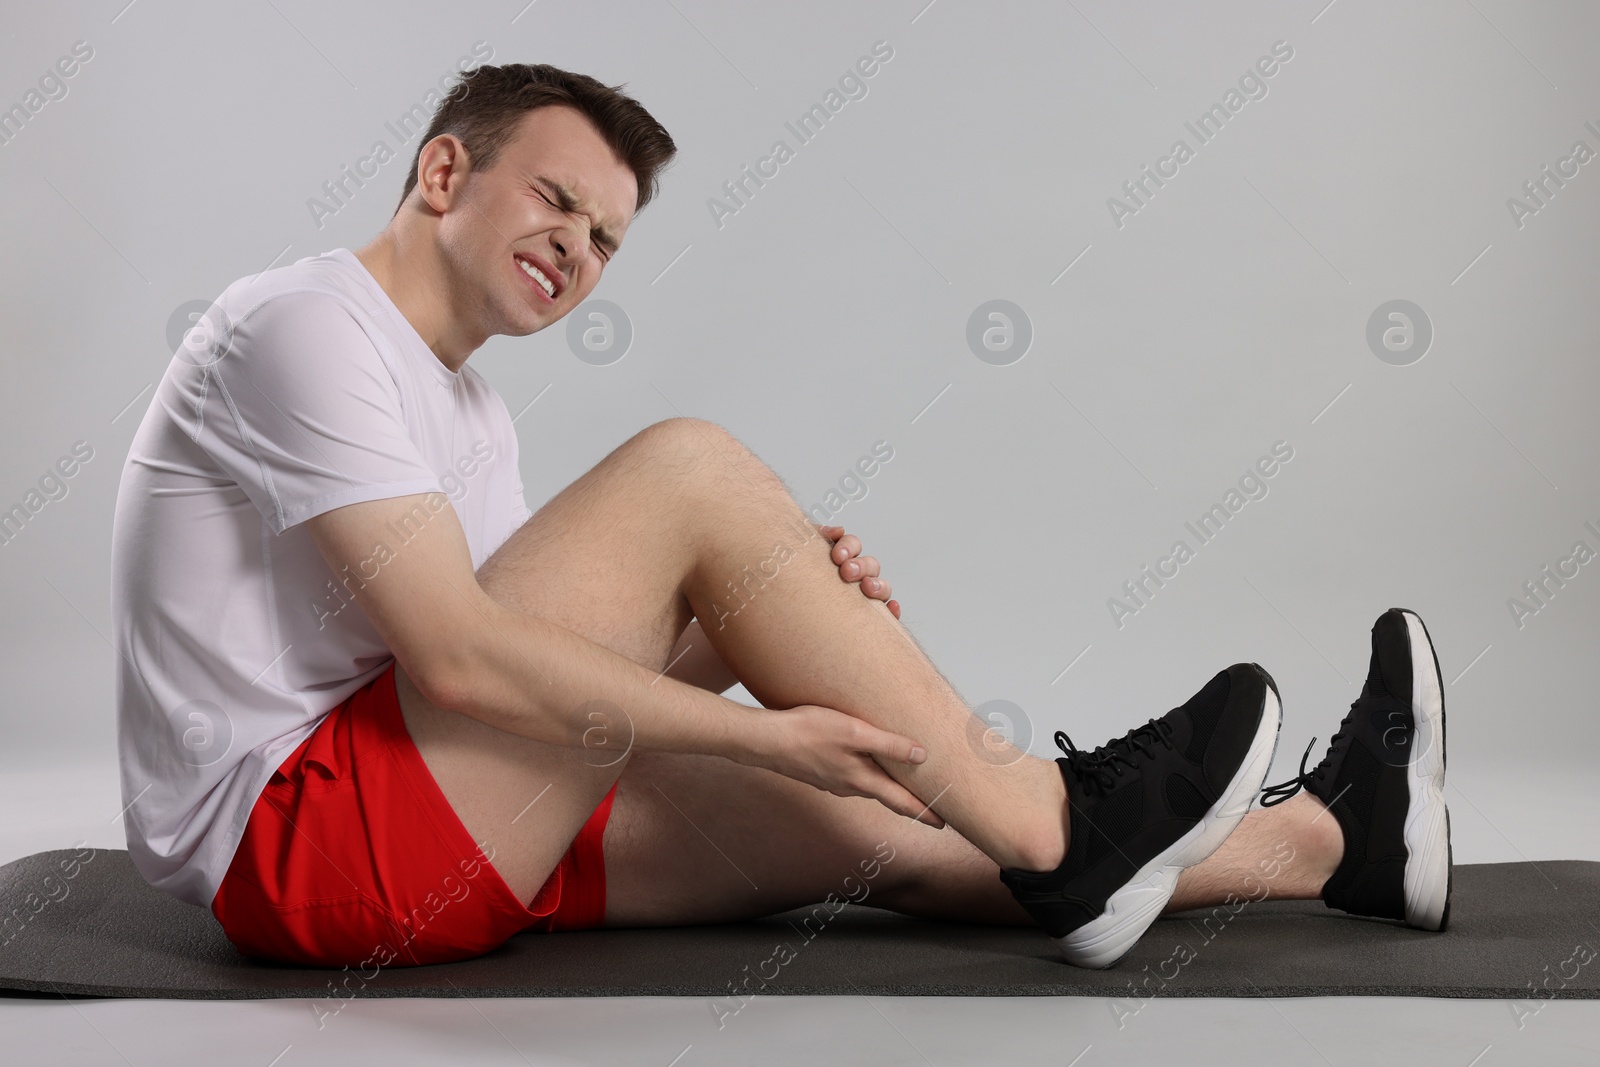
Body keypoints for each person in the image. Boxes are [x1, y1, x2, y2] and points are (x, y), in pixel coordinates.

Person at [110, 62, 1451, 973]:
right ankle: (1060, 824)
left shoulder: (471, 415)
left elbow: (538, 687)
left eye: (608, 239)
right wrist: (768, 711)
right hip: (296, 846)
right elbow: (462, 661)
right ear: (445, 172)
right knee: (689, 469)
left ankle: (1343, 838)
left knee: (893, 823)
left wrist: (737, 609)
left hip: (427, 810)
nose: (577, 248)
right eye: (556, 200)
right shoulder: (304, 327)